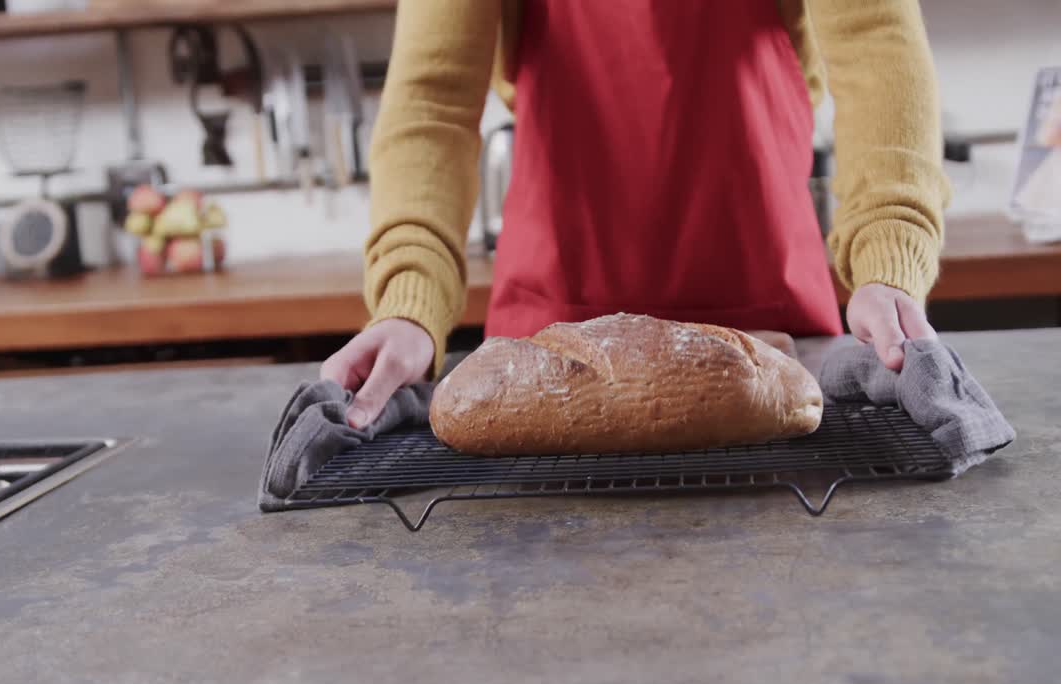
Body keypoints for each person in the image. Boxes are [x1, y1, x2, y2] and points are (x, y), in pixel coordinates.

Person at [323, 0, 952, 429]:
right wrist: (409, 305)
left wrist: (889, 252)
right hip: (551, 345)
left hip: (770, 333)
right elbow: (433, 99)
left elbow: (876, 46)